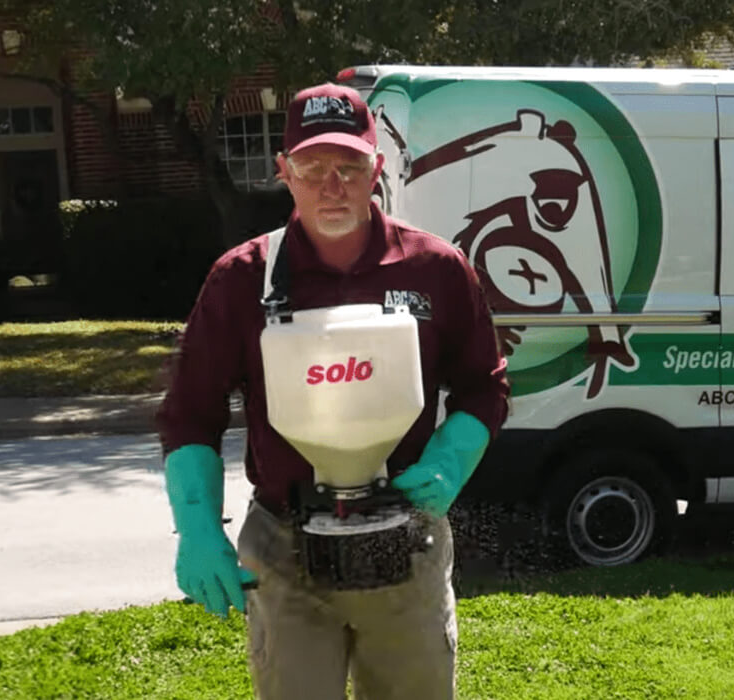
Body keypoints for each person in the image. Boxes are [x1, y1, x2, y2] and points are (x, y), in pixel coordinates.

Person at [155, 83, 510, 700]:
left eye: (349, 166)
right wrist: (197, 527)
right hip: (285, 550)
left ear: (376, 169)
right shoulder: (241, 280)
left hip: (409, 535)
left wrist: (447, 465)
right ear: (283, 172)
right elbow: (191, 415)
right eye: (312, 167)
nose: (331, 185)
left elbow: (485, 386)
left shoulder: (436, 269)